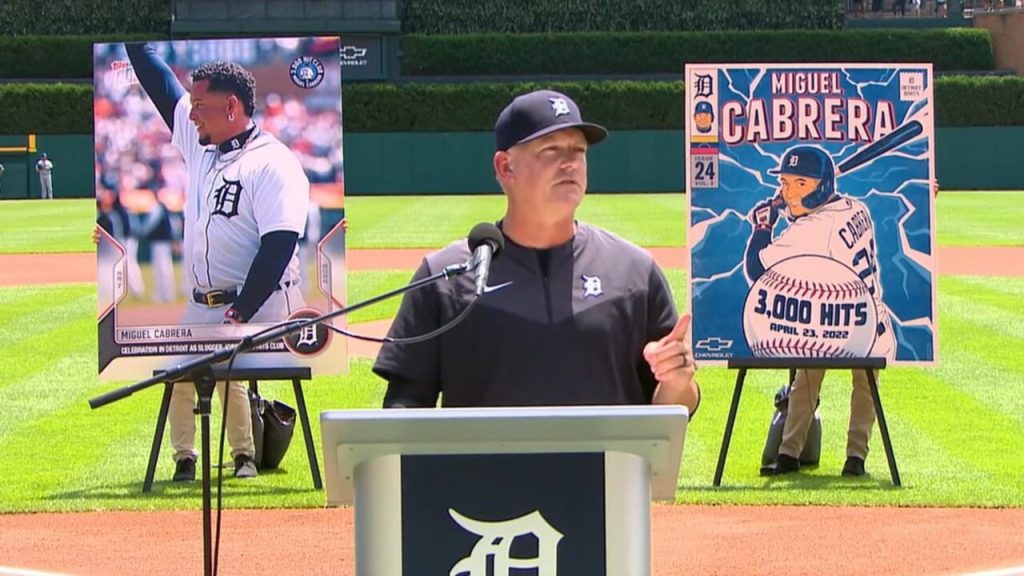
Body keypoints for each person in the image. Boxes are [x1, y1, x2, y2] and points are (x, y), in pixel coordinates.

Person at [373, 90, 700, 413]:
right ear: (505, 167)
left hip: (606, 467)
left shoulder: (633, 272)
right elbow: (406, 405)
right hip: (483, 468)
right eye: (551, 150)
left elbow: (673, 409)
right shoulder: (445, 278)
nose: (570, 162)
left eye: (578, 150)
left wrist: (676, 383)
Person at [125, 42, 311, 482]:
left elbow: (279, 243)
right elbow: (160, 85)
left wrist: (241, 311)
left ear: (231, 107)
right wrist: (134, 37)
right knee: (177, 373)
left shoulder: (273, 162)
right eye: (191, 106)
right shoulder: (203, 144)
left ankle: (245, 456)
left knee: (229, 373)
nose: (190, 115)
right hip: (202, 303)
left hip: (262, 304)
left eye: (200, 106)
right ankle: (185, 459)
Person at [748, 149, 937, 477]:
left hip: (834, 322)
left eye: (800, 183)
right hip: (871, 321)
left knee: (807, 381)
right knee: (859, 386)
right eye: (784, 182)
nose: (789, 191)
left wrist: (764, 226)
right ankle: (855, 460)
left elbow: (756, 268)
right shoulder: (855, 207)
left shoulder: (812, 229)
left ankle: (790, 454)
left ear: (821, 187)